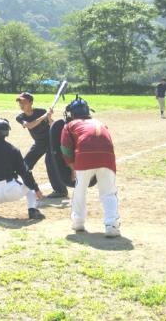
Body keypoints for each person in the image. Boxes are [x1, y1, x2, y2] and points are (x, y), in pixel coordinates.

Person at [60, 96, 121, 237]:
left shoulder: (69, 125)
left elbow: (65, 148)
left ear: (73, 113)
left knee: (80, 189)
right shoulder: (100, 122)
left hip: (84, 156)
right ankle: (111, 224)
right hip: (107, 157)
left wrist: (72, 167)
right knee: (108, 192)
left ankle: (78, 221)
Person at [15, 92, 68, 198]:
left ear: (31, 103)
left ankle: (61, 191)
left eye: (24, 102)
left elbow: (53, 125)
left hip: (51, 141)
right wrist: (43, 117)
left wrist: (48, 117)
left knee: (51, 163)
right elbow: (30, 125)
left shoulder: (41, 111)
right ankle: (19, 186)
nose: (21, 105)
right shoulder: (20, 117)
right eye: (20, 102)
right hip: (39, 143)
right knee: (25, 164)